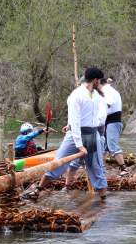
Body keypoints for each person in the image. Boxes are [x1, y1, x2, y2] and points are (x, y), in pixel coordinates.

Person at [34, 67, 108, 199]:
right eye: (100, 81)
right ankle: (37, 191)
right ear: (95, 80)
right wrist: (79, 145)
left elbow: (93, 116)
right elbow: (75, 119)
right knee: (59, 163)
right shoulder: (76, 95)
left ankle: (103, 198)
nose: (101, 83)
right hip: (75, 135)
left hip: (92, 134)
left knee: (96, 167)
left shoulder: (97, 95)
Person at [101, 77, 129, 175]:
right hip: (106, 121)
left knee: (112, 145)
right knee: (103, 146)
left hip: (113, 121)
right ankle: (101, 168)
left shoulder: (107, 90)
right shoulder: (105, 90)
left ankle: (124, 169)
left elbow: (108, 104)